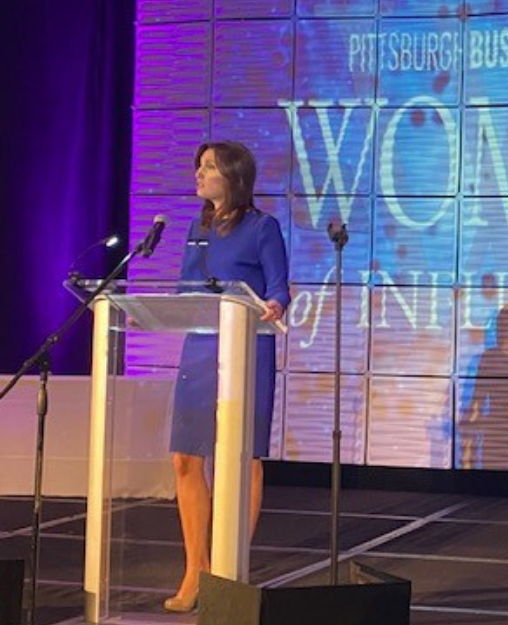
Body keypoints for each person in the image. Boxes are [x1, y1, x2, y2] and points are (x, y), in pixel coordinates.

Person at [164, 141, 290, 612]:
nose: (198, 174)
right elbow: (182, 290)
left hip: (245, 348)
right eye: (198, 166)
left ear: (233, 176)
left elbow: (277, 287)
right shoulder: (198, 229)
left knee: (240, 458)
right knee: (183, 459)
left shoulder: (262, 228)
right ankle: (194, 569)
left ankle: (226, 566)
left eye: (209, 167)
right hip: (199, 346)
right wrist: (146, 314)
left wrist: (275, 304)